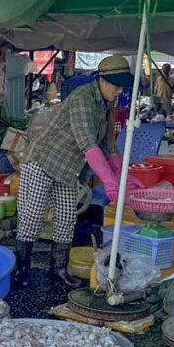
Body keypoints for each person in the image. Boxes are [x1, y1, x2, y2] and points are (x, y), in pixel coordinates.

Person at [15, 55, 143, 288]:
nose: (118, 92)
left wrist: (124, 175)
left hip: (68, 169)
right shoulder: (82, 98)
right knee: (32, 218)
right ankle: (22, 271)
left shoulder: (104, 105)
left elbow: (108, 145)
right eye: (116, 86)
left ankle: (58, 271)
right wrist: (109, 180)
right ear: (102, 81)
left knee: (66, 220)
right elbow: (87, 143)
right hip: (42, 161)